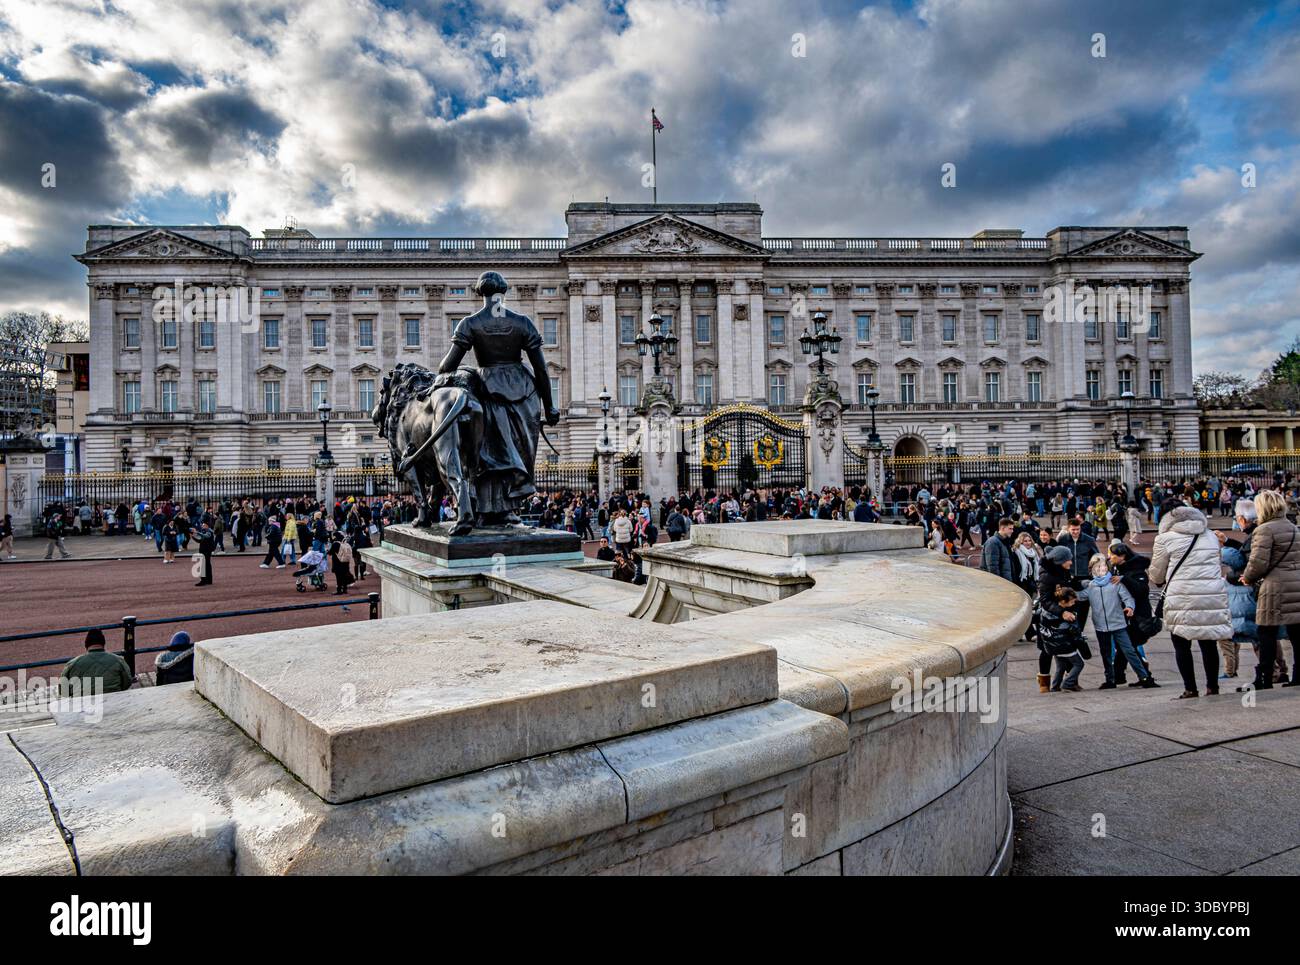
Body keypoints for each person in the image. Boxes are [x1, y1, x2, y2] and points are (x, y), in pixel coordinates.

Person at [1150, 505, 1231, 699]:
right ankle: (1212, 687)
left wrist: (1160, 579)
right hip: (1210, 594)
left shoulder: (1164, 539)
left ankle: (1190, 688)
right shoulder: (1210, 535)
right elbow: (1216, 563)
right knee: (1209, 642)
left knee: (1181, 643)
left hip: (1181, 596)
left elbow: (1156, 573)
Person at [1239, 489, 1300, 689]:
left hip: (1274, 587)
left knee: (1266, 632)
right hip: (1296, 584)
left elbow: (1258, 563)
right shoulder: (1293, 528)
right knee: (1296, 632)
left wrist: (1247, 578)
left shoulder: (1264, 530)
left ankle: (1265, 677)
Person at [1079, 553, 1158, 689]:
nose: (1100, 571)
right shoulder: (1091, 586)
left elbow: (1127, 598)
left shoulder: (1115, 583)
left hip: (1119, 624)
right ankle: (1110, 679)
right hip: (1101, 626)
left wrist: (1129, 607)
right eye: (1097, 568)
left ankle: (1144, 677)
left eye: (1103, 568)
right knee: (1106, 654)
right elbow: (1079, 596)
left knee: (1129, 651)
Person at [1038, 586, 1086, 693]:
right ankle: (1068, 683)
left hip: (1051, 646)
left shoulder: (1047, 611)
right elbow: (1073, 631)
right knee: (1079, 664)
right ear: (1064, 601)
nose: (1073, 604)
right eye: (1072, 602)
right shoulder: (1066, 615)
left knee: (1061, 666)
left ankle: (1055, 686)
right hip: (1065, 646)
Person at [60, 628, 132, 696]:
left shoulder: (72, 664)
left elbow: (63, 691)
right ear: (103, 643)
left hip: (83, 705)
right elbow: (127, 682)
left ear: (86, 645)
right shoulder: (118, 660)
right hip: (111, 702)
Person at [194, 519, 216, 586]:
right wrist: (193, 537)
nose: (202, 526)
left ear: (207, 526)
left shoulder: (209, 531)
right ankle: (209, 580)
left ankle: (203, 581)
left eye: (203, 525)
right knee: (207, 565)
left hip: (206, 551)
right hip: (206, 550)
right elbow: (200, 541)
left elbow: (206, 536)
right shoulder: (205, 531)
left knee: (203, 566)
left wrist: (197, 532)